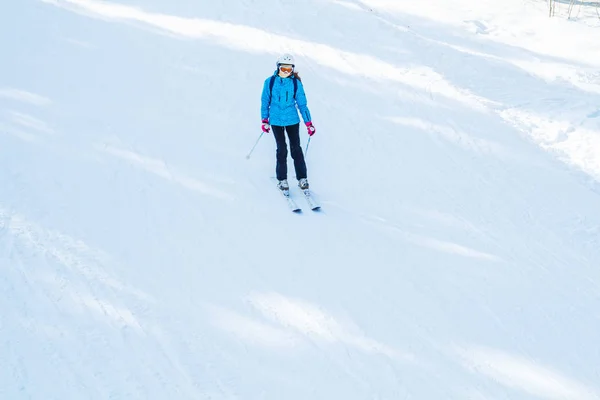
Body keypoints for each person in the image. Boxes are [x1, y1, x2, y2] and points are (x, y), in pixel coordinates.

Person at [260, 53, 316, 191]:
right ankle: (282, 179)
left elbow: (302, 104)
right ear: (278, 67)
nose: (286, 72)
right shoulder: (270, 82)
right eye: (283, 69)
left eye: (289, 69)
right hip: (276, 120)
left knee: (296, 148)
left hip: (292, 119)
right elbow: (265, 102)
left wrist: (308, 123)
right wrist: (264, 120)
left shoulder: (295, 83)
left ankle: (302, 178)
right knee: (282, 149)